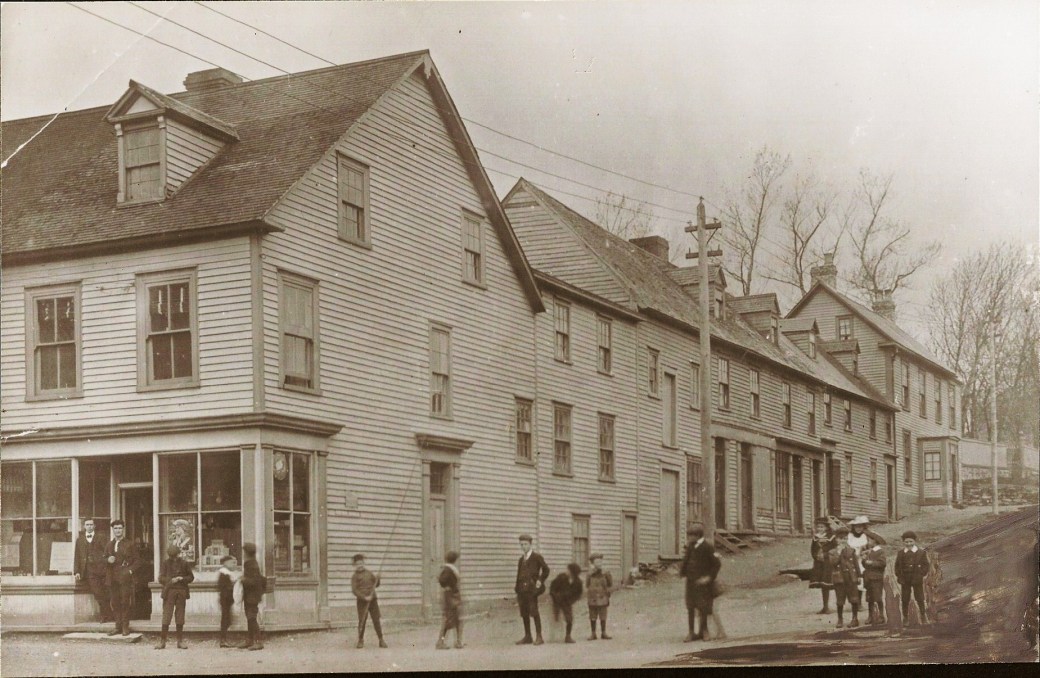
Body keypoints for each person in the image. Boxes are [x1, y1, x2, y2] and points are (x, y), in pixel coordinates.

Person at [680, 523, 721, 642]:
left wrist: (709, 578)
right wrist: (683, 572)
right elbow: (686, 561)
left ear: (697, 535)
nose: (689, 538)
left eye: (690, 535)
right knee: (690, 606)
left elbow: (716, 564)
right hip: (691, 582)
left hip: (703, 583)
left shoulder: (707, 547)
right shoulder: (690, 546)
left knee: (703, 607)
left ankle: (704, 631)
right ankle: (691, 632)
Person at [155, 544, 194, 650]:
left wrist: (182, 578)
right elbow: (160, 578)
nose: (174, 558)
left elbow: (191, 577)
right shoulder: (165, 563)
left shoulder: (185, 563)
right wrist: (170, 580)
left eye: (175, 556)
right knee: (167, 615)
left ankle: (180, 641)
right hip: (169, 592)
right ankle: (162, 641)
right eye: (172, 557)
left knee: (180, 616)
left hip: (181, 591)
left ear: (179, 554)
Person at [105, 519, 140, 636]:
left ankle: (125, 626)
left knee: (125, 601)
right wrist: (107, 560)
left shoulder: (130, 544)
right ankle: (117, 626)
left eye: (120, 528)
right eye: (115, 528)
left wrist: (129, 571)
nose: (118, 530)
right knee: (115, 602)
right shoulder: (109, 544)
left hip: (124, 577)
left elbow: (138, 561)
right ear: (113, 530)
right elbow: (103, 559)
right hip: (112, 577)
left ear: (123, 529)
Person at [514, 533, 550, 646]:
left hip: (532, 589)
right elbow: (519, 574)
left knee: (534, 611)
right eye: (521, 544)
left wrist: (540, 580)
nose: (523, 546)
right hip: (522, 590)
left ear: (530, 544)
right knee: (524, 612)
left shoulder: (536, 557)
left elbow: (546, 570)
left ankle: (539, 636)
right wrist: (517, 588)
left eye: (525, 544)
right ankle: (528, 636)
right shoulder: (521, 560)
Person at [74, 518, 110, 623]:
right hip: (89, 571)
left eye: (91, 525)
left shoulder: (101, 538)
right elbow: (77, 556)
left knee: (107, 592)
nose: (89, 526)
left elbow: (107, 552)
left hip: (102, 570)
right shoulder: (79, 540)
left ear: (94, 526)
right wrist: (77, 571)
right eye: (87, 525)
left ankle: (107, 615)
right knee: (97, 592)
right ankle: (105, 615)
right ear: (84, 526)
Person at [827, 526, 862, 628]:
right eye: (841, 538)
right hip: (840, 578)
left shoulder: (851, 550)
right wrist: (839, 552)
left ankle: (855, 619)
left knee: (854, 599)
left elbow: (855, 563)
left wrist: (859, 575)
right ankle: (840, 619)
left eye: (845, 539)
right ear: (836, 539)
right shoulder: (832, 552)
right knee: (840, 600)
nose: (843, 541)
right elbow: (833, 563)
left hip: (851, 577)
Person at [352, 553, 387, 649]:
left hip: (372, 600)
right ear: (355, 565)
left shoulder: (369, 573)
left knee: (376, 620)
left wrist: (378, 579)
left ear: (364, 563)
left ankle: (381, 640)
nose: (360, 565)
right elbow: (354, 590)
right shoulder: (355, 576)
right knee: (362, 620)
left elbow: (376, 585)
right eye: (358, 564)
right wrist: (364, 597)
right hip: (362, 601)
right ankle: (360, 640)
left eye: (361, 563)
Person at [894, 531, 930, 625]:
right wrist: (899, 575)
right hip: (905, 579)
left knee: (920, 597)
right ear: (903, 542)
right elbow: (897, 566)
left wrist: (921, 574)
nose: (909, 544)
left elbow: (926, 565)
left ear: (914, 541)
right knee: (905, 598)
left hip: (916, 578)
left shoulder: (921, 552)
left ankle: (923, 616)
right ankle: (905, 617)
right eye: (906, 542)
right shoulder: (901, 553)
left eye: (911, 541)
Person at [239, 542, 266, 650]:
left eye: (244, 551)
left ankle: (258, 641)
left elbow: (254, 581)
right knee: (250, 617)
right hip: (251, 595)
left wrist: (243, 580)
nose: (243, 554)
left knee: (251, 618)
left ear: (247, 552)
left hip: (252, 596)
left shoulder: (250, 564)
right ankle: (250, 640)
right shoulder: (252, 563)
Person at [549, 562, 583, 644]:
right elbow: (552, 587)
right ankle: (553, 636)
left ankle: (568, 636)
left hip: (567, 602)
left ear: (573, 572)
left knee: (569, 619)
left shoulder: (578, 582)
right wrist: (555, 596)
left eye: (569, 570)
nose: (567, 571)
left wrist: (571, 601)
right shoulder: (561, 577)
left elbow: (578, 594)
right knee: (555, 617)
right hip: (557, 601)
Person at [809, 518, 837, 614]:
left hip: (828, 563)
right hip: (819, 563)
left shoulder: (831, 537)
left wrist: (825, 555)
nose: (820, 528)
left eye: (822, 527)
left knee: (828, 583)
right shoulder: (815, 537)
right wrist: (816, 557)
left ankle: (834, 605)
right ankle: (825, 606)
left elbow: (834, 549)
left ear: (826, 528)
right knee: (822, 584)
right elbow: (812, 549)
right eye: (818, 527)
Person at [436, 550, 463, 650]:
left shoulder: (447, 568)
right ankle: (440, 642)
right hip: (451, 596)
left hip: (451, 595)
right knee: (450, 620)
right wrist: (447, 586)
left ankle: (457, 641)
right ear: (454, 560)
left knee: (456, 620)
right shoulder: (449, 569)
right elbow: (442, 580)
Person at [585, 553, 613, 640]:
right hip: (592, 597)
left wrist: (607, 575)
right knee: (592, 615)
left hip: (602, 596)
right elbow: (587, 584)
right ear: (592, 563)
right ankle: (593, 633)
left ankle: (603, 633)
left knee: (603, 615)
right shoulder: (589, 573)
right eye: (597, 562)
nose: (599, 563)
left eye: (600, 561)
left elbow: (610, 583)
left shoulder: (606, 572)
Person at [860, 533, 887, 625]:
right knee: (869, 598)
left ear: (874, 541)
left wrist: (871, 562)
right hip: (868, 578)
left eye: (869, 540)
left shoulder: (880, 551)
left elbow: (882, 563)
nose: (868, 542)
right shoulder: (869, 551)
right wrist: (863, 560)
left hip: (876, 578)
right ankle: (870, 616)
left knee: (878, 597)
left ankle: (881, 616)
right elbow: (865, 564)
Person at [217, 555, 237, 648]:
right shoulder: (224, 574)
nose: (234, 565)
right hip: (225, 599)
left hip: (227, 599)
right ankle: (223, 640)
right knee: (225, 619)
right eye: (232, 563)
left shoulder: (227, 573)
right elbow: (224, 588)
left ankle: (224, 639)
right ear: (225, 563)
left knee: (227, 619)